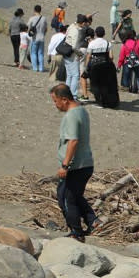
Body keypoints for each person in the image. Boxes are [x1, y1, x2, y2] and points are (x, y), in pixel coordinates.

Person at [51, 84, 102, 242]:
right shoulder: (81, 110)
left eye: (55, 101)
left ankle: (76, 232)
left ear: (65, 100)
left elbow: (73, 141)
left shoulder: (72, 115)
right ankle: (93, 221)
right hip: (85, 163)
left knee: (66, 198)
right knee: (74, 195)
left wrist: (65, 165)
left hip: (76, 166)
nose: (55, 104)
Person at [84, 26, 119, 109]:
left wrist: (86, 67)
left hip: (95, 66)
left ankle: (99, 101)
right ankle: (105, 101)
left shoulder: (92, 43)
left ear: (95, 33)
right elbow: (111, 57)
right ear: (104, 34)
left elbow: (88, 56)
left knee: (95, 84)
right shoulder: (108, 43)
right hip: (105, 65)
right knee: (104, 84)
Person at [27, 5, 48, 72]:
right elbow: (46, 29)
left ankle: (35, 68)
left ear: (34, 10)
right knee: (41, 53)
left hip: (35, 38)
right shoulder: (44, 18)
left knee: (33, 53)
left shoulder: (32, 18)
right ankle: (41, 68)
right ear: (40, 10)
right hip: (42, 38)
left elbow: (28, 27)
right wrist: (43, 34)